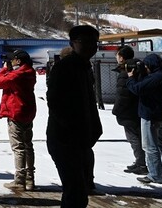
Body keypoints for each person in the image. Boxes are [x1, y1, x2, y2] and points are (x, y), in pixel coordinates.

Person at [46, 25, 103, 208]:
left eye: (93, 42)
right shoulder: (65, 67)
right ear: (73, 44)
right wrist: (72, 129)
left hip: (81, 139)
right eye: (83, 42)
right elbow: (55, 102)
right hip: (65, 139)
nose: (90, 46)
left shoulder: (85, 68)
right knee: (75, 192)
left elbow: (88, 105)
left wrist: (94, 129)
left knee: (79, 191)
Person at [126, 53, 162, 185]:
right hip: (160, 115)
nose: (145, 68)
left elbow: (137, 89)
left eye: (146, 65)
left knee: (150, 146)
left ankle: (155, 175)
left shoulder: (155, 78)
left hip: (150, 115)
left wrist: (131, 78)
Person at [0, 49, 37, 191]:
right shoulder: (30, 72)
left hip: (16, 112)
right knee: (28, 145)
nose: (10, 61)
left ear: (18, 61)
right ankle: (30, 179)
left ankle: (19, 180)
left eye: (12, 59)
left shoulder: (16, 75)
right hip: (28, 112)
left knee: (18, 147)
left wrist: (5, 69)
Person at [111, 46, 147, 175]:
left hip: (128, 112)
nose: (116, 57)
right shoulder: (139, 68)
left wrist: (116, 111)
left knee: (134, 138)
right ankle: (142, 162)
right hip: (138, 109)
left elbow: (122, 95)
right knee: (139, 137)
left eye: (117, 55)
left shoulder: (125, 73)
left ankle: (141, 164)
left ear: (121, 57)